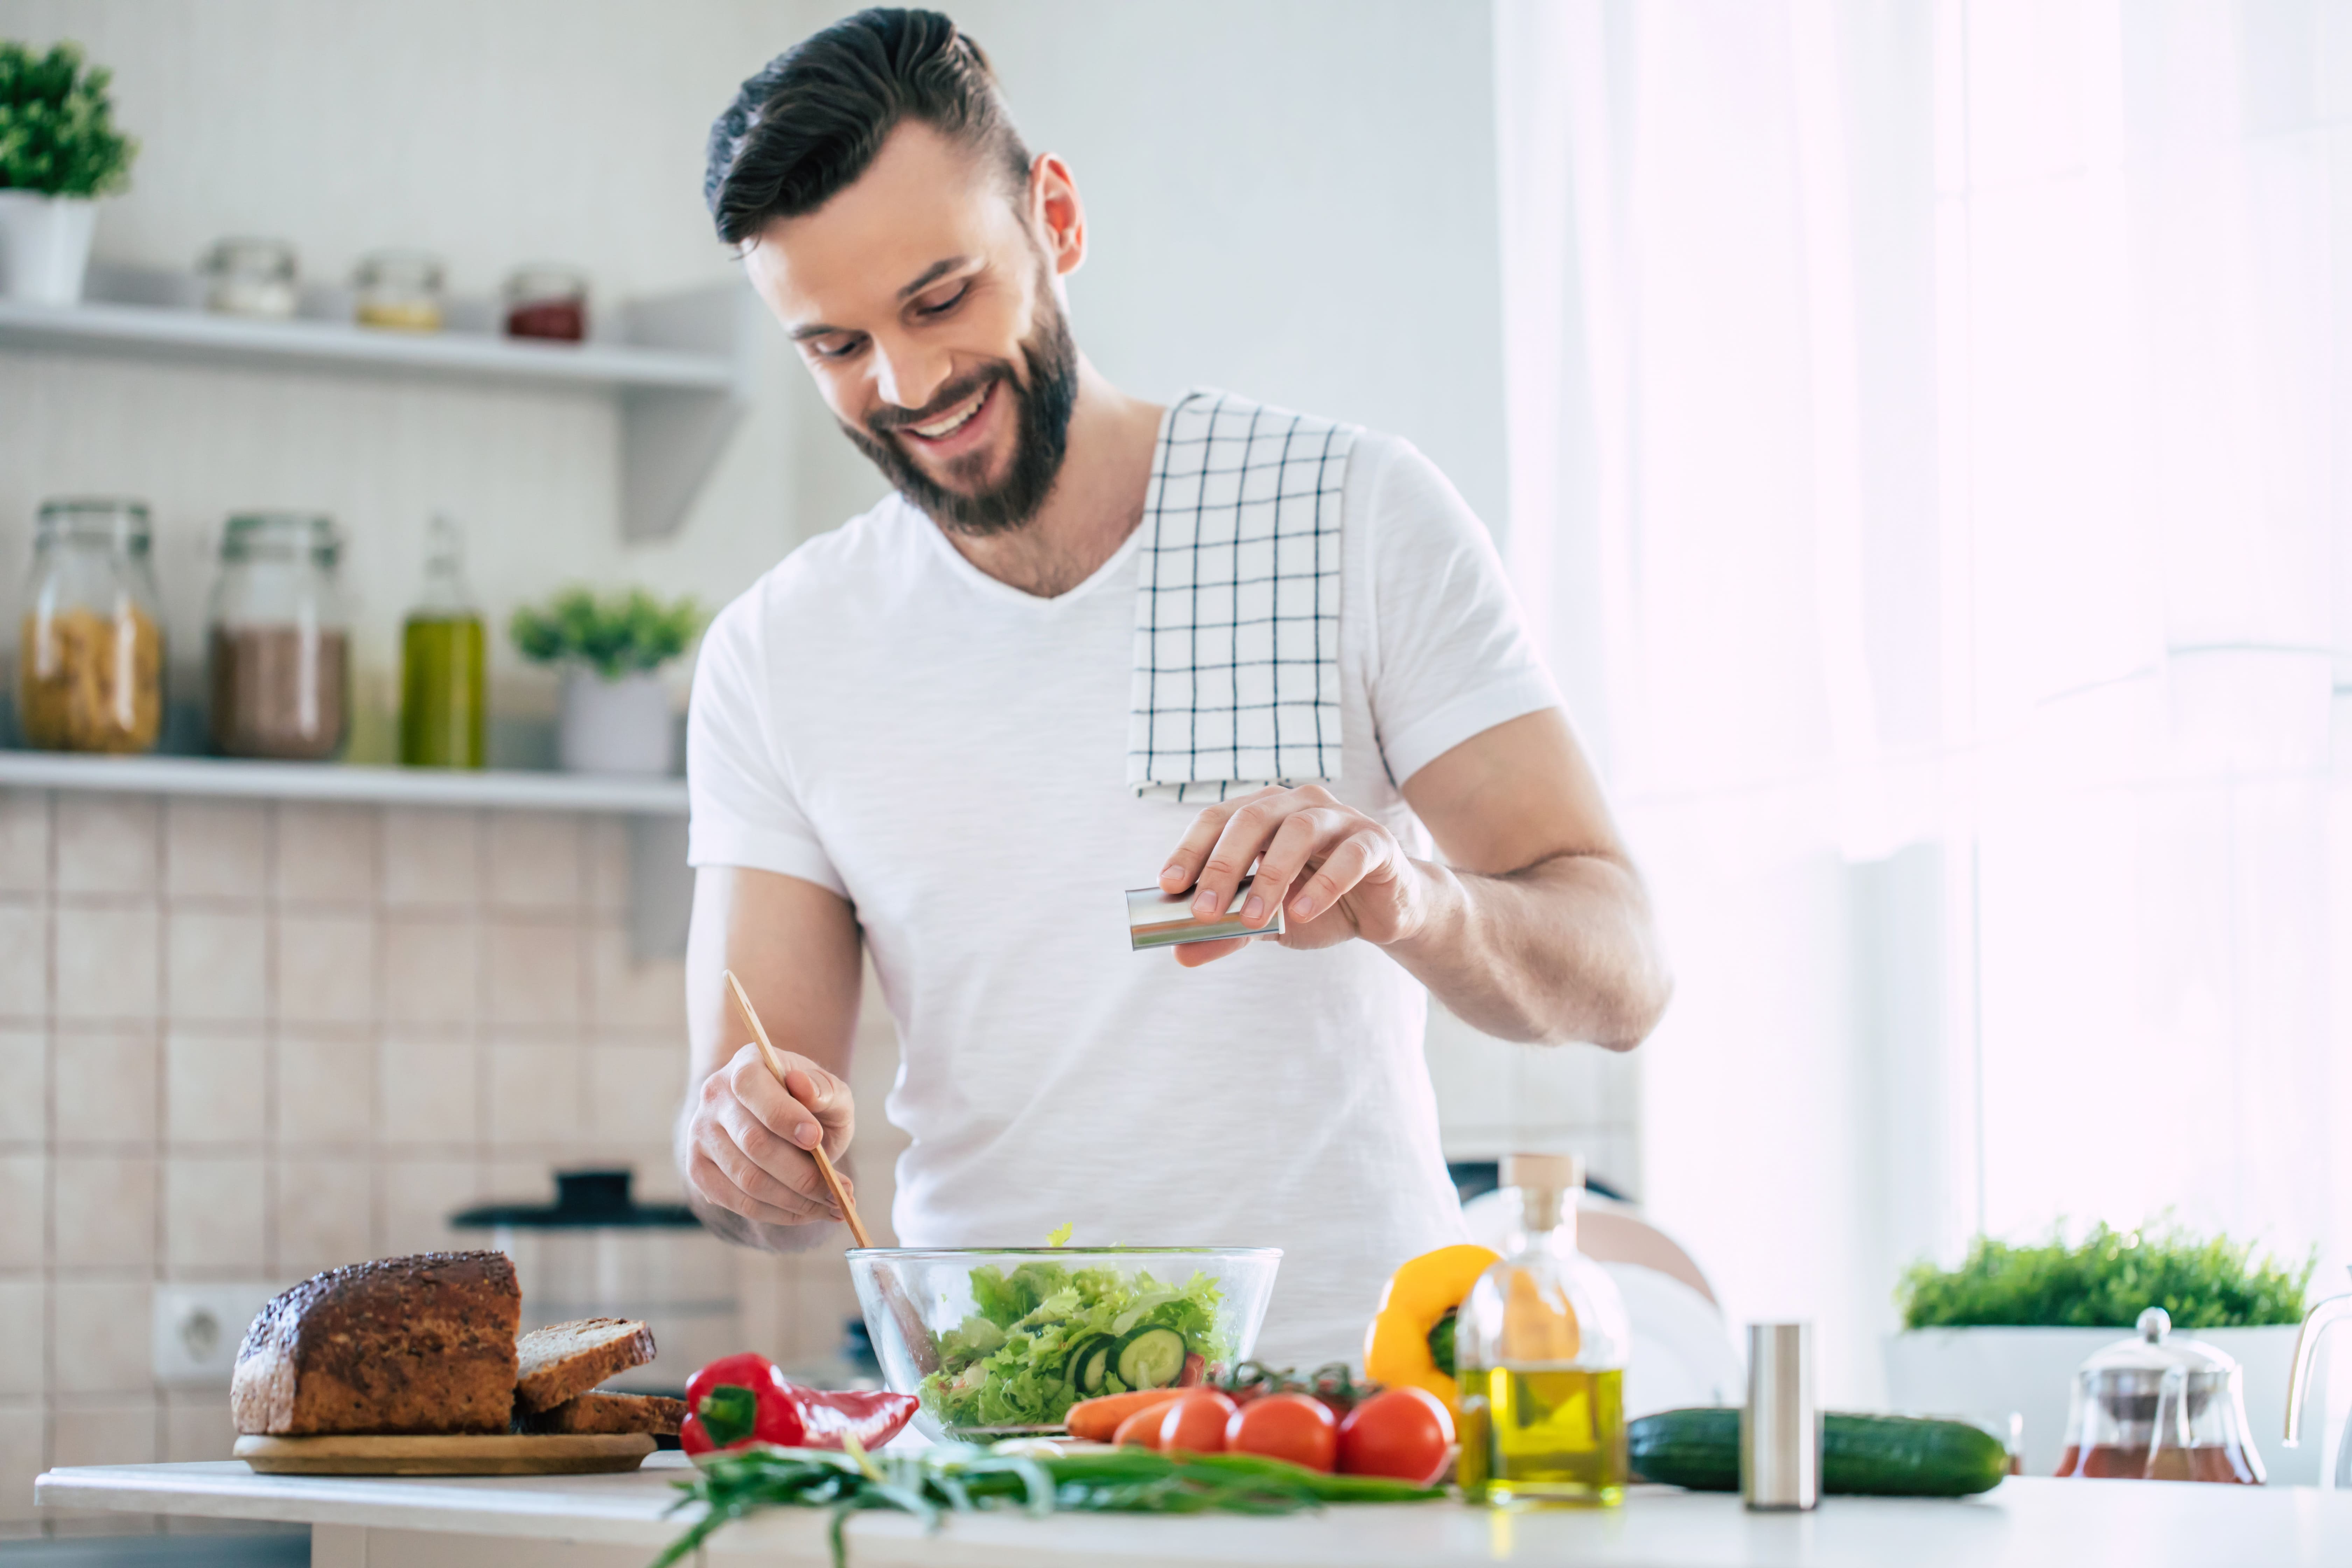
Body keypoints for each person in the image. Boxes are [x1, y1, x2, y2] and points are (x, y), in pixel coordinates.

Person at [679, 7, 1670, 1363]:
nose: (906, 383)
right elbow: (765, 1171)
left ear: (1057, 221)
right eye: (835, 348)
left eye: (939, 297)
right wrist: (740, 1150)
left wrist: (1412, 897)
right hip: (990, 1403)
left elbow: (1621, 977)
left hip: (1345, 1398)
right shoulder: (778, 650)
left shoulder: (1350, 513)